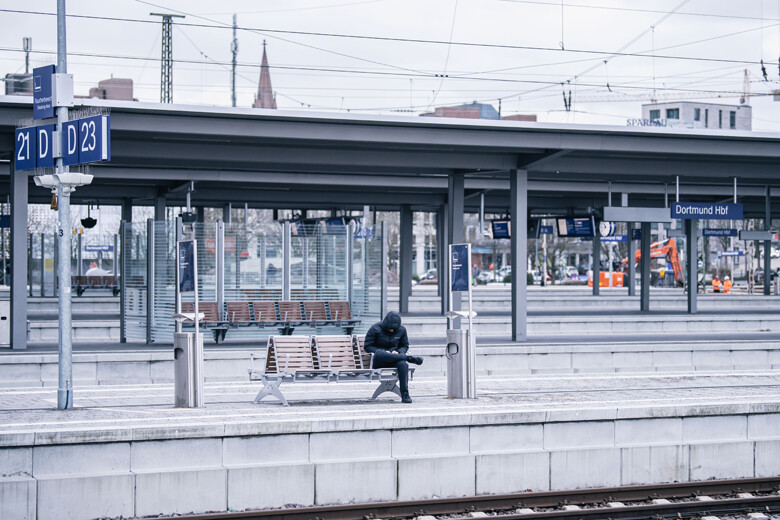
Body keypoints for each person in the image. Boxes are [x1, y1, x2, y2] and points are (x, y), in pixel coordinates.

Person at [363, 311, 423, 403]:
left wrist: (399, 352)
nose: (391, 330)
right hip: (379, 360)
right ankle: (408, 358)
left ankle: (405, 394)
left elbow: (404, 346)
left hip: (395, 359)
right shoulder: (375, 328)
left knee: (403, 364)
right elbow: (368, 347)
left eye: (394, 329)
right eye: (389, 329)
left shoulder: (402, 330)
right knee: (380, 353)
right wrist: (384, 352)